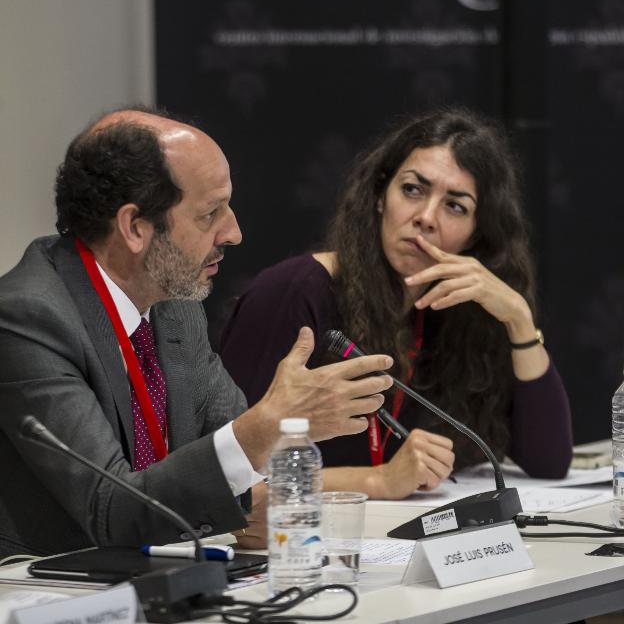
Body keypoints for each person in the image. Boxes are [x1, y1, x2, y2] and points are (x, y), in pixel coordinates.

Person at [0, 108, 393, 558]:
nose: (235, 232)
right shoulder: (28, 319)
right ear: (134, 227)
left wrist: (256, 492)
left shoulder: (176, 308)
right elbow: (112, 510)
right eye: (211, 213)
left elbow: (228, 450)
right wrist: (265, 428)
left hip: (164, 578)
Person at [221, 108, 573, 499]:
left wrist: (519, 320)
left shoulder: (458, 314)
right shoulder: (295, 292)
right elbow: (229, 474)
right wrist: (377, 481)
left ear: (476, 236)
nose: (425, 217)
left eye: (455, 206)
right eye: (412, 190)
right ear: (379, 196)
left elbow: (549, 460)